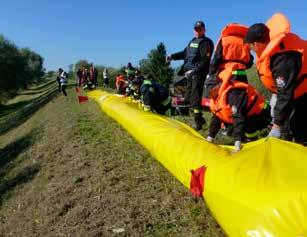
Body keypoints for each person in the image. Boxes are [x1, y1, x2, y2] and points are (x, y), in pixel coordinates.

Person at [204, 24, 271, 151]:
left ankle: (210, 138)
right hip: (240, 77)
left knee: (218, 105)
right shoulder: (245, 41)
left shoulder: (224, 40)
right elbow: (249, 61)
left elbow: (216, 59)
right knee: (238, 109)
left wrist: (211, 76)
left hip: (225, 77)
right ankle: (238, 142)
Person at [244, 13, 307, 144]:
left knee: (298, 131)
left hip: (302, 94)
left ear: (256, 44)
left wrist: (277, 125)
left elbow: (285, 94)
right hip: (296, 92)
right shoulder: (273, 52)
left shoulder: (282, 59)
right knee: (292, 127)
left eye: (250, 46)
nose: (250, 49)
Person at [167, 21, 214, 130]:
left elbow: (205, 61)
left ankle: (198, 123)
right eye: (196, 29)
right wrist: (172, 56)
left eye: (200, 29)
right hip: (188, 74)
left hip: (198, 73)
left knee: (195, 98)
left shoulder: (206, 43)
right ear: (194, 30)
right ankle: (201, 119)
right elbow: (185, 54)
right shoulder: (192, 41)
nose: (198, 31)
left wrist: (194, 71)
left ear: (204, 30)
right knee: (187, 98)